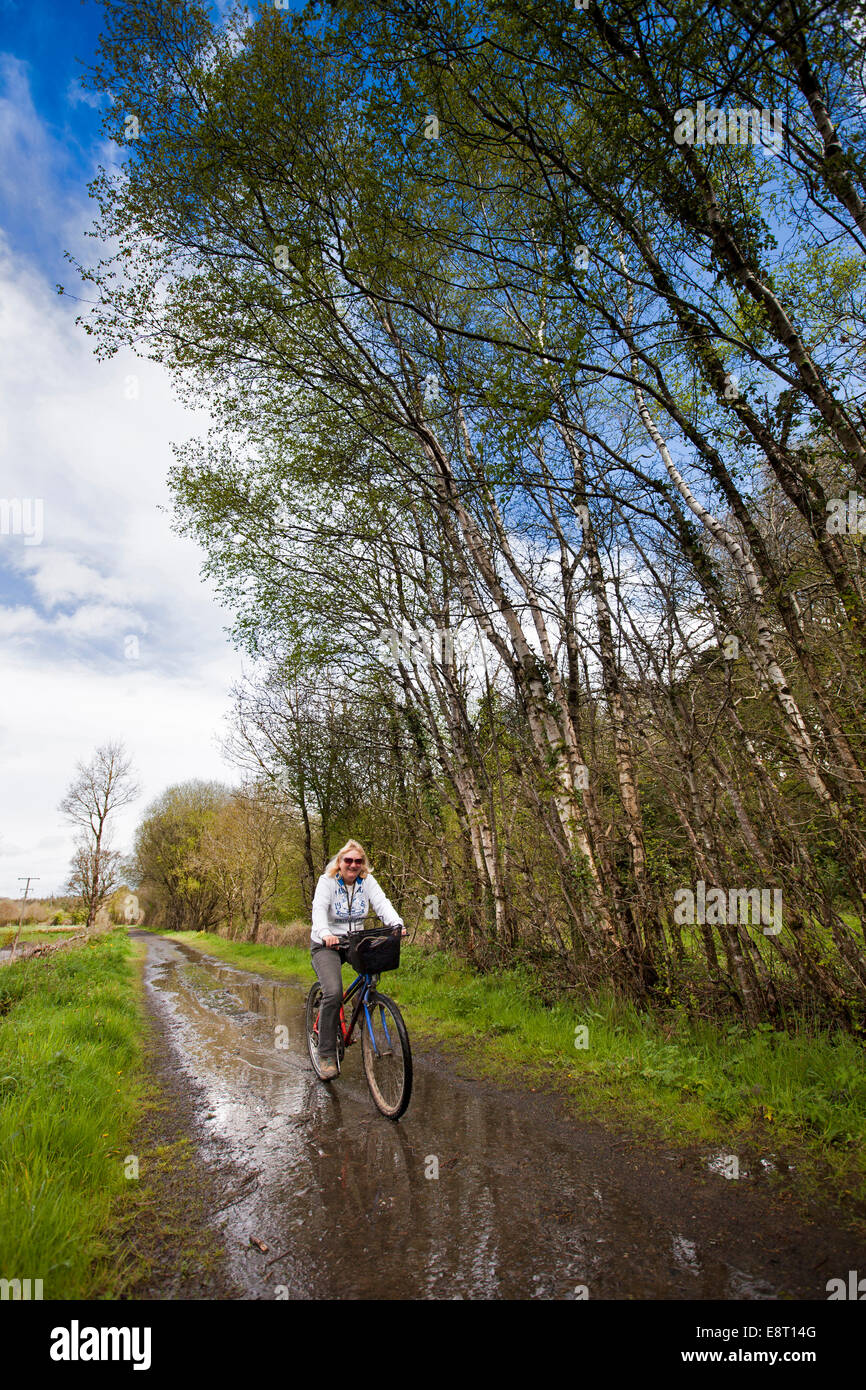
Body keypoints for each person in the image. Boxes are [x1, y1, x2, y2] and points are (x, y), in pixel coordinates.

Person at [310, 839, 405, 1080]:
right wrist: (325, 934)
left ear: (363, 865)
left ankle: (360, 1007)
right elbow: (319, 910)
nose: (353, 865)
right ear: (339, 863)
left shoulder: (366, 882)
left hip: (355, 941)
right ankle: (327, 1054)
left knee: (371, 977)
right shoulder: (327, 882)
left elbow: (383, 903)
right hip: (327, 944)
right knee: (333, 991)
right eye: (348, 860)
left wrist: (397, 925)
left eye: (358, 861)